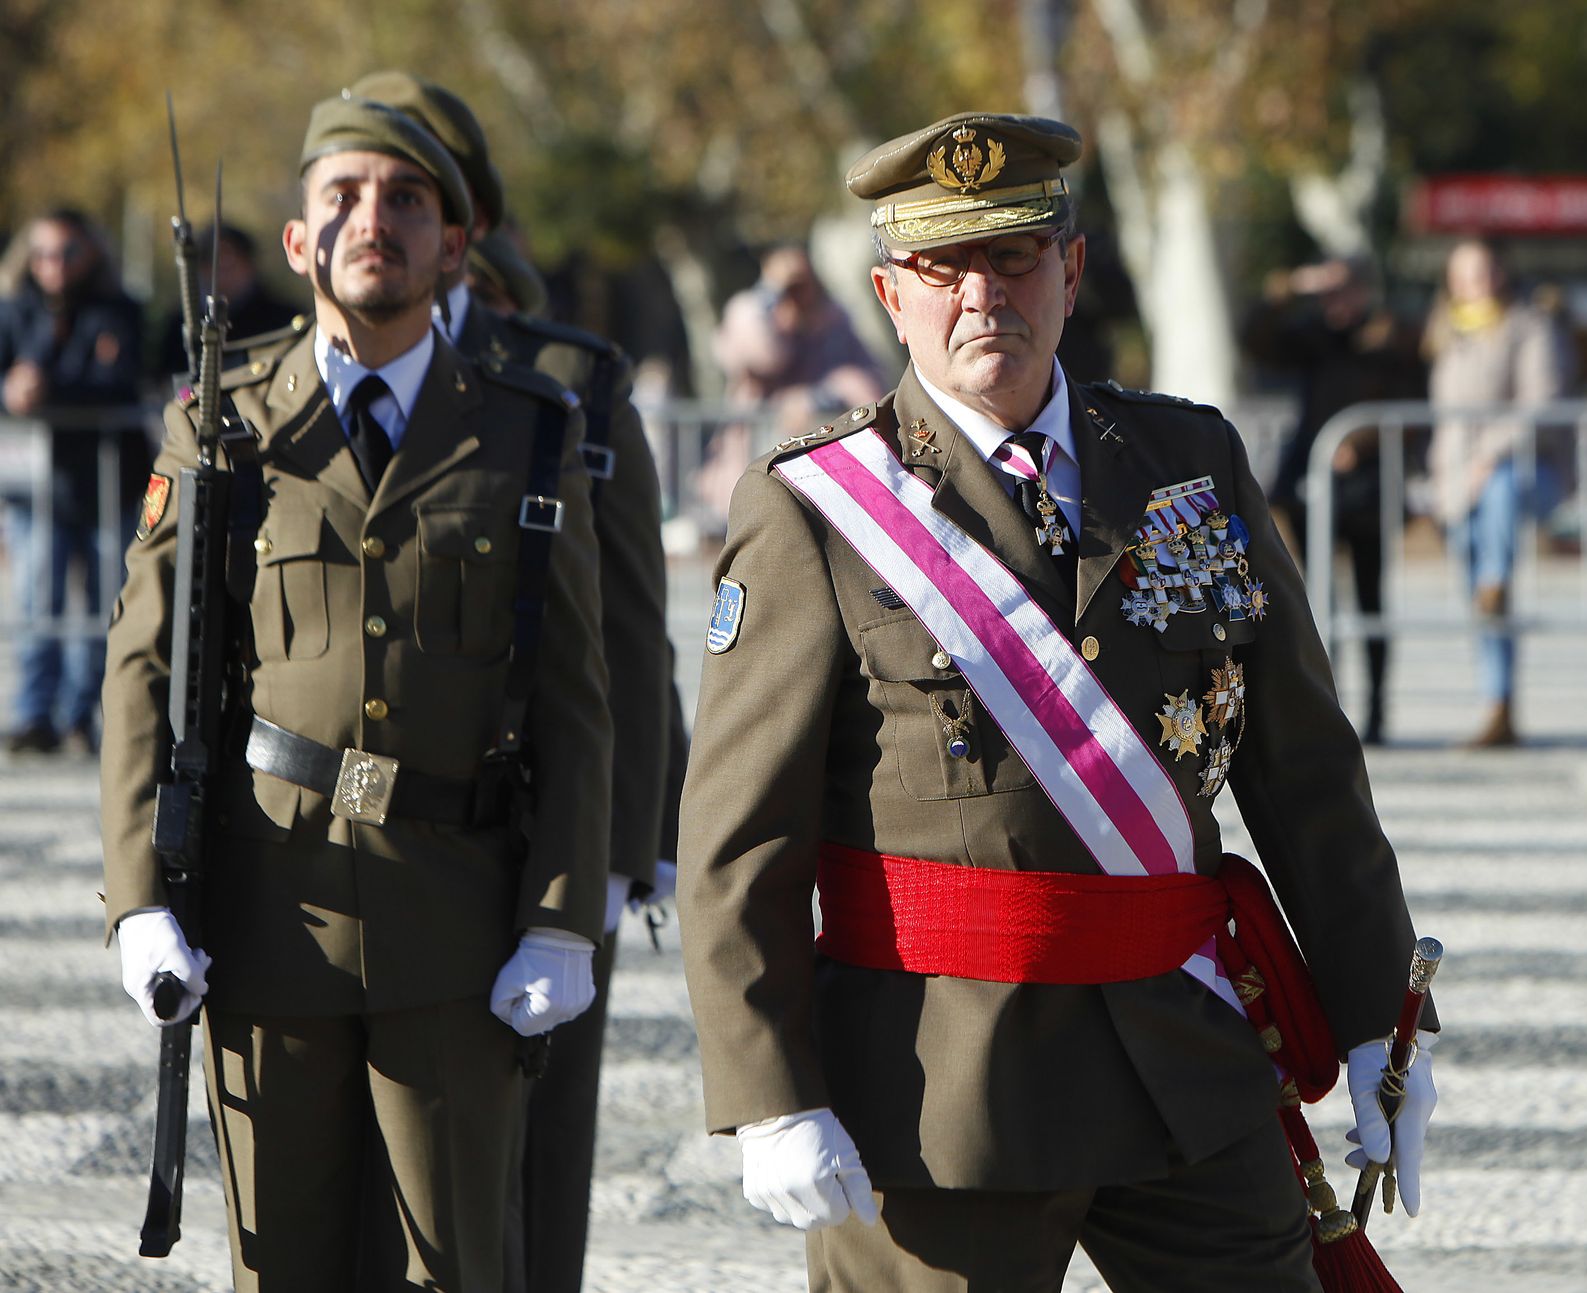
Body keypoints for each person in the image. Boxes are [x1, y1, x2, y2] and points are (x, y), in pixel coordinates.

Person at [678, 111, 1439, 1291]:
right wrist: (769, 1090)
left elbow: (1305, 771)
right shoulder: (815, 510)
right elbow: (739, 837)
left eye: (1015, 255)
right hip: (939, 1088)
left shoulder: (1189, 463)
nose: (984, 293)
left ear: (1071, 270)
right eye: (943, 265)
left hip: (1180, 1055)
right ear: (890, 293)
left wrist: (1374, 1014)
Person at [99, 94, 612, 1292]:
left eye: (407, 200)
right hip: (270, 912)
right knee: (284, 1269)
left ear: (454, 245)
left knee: (459, 1268)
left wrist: (561, 915)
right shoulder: (221, 424)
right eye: (342, 197)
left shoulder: (530, 435)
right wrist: (137, 899)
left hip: (458, 926)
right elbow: (145, 668)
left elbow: (577, 704)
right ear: (296, 241)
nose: (372, 220)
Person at [347, 69, 676, 1293]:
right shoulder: (295, 373)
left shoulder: (565, 376)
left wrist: (619, 852)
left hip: (531, 830)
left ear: (461, 212)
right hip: (346, 852)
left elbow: (627, 637)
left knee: (529, 1170)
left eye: (410, 177)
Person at [1242, 255, 1425, 744]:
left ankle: (1379, 711)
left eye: (1344, 290)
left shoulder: (1393, 337)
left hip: (1368, 489)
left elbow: (1411, 406)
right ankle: (1326, 709)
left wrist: (1361, 442)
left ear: (1366, 291)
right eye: (1327, 292)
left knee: (1370, 597)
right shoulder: (1315, 336)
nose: (1334, 301)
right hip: (1313, 488)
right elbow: (1256, 340)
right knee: (1316, 601)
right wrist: (1289, 285)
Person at [1, 208, 148, 755]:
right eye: (42, 253)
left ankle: (79, 714)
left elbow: (122, 383)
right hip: (34, 489)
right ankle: (33, 715)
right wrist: (12, 394)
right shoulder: (13, 309)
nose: (54, 265)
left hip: (108, 485)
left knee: (104, 607)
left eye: (66, 252)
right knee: (39, 601)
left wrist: (46, 391)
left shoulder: (120, 310)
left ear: (91, 253)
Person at [1423, 237, 1568, 747]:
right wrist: (1447, 477)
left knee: (1502, 496)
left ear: (1500, 273)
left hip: (1525, 467)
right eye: (1463, 273)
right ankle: (1498, 704)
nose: (1474, 283)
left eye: (1482, 271)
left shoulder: (1531, 324)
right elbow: (1443, 420)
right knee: (1482, 604)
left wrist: (1490, 455)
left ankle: (1496, 577)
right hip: (1461, 481)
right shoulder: (1445, 331)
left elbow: (1542, 402)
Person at [696, 244, 885, 527]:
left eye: (803, 282)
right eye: (789, 286)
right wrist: (772, 293)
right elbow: (764, 356)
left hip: (825, 479)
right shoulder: (748, 311)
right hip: (751, 467)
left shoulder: (833, 319)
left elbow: (866, 382)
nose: (797, 294)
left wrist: (814, 399)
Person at [156, 222, 304, 378]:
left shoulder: (282, 319)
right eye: (212, 261)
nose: (221, 270)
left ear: (248, 265)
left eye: (229, 259)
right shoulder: (184, 321)